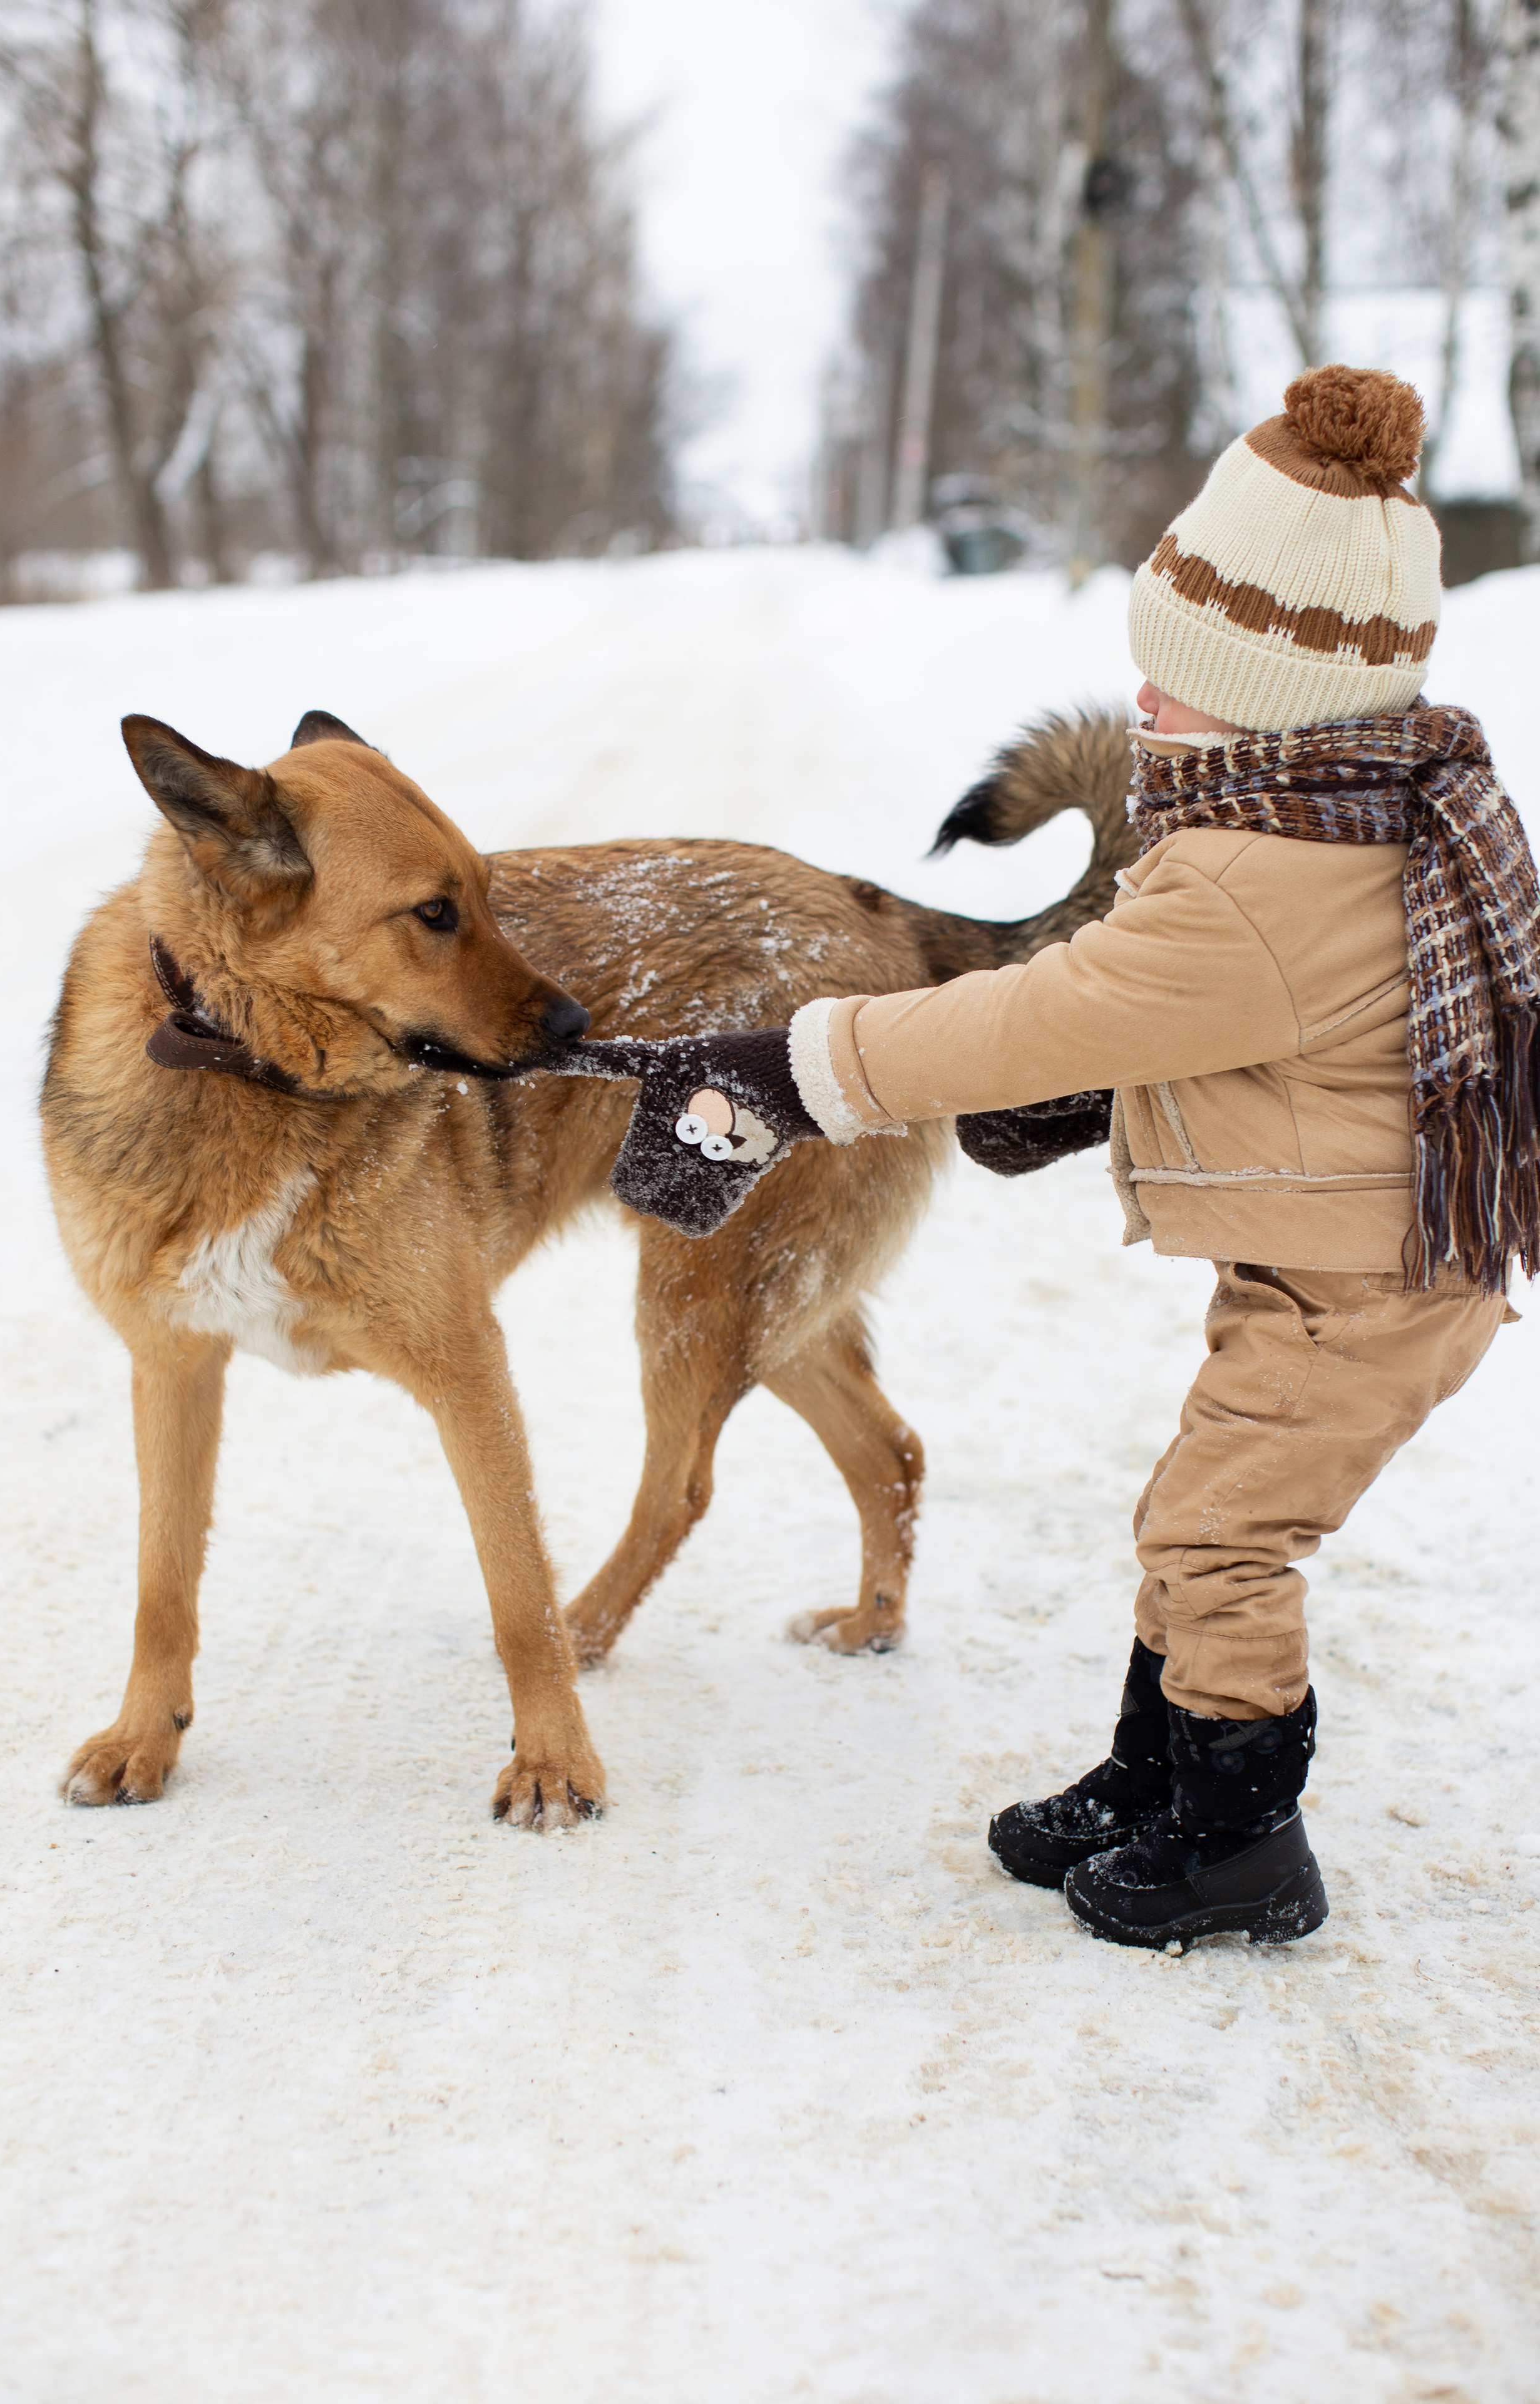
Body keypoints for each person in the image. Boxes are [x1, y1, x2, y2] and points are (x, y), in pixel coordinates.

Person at [558, 365, 1540, 1951]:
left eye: (1179, 683)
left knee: (1221, 1539)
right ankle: (1152, 1776)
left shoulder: (1253, 875)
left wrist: (802, 1066)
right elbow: (1211, 1031)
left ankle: (1238, 1842)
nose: (1144, 706)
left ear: (1281, 696)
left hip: (1369, 1278)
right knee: (1191, 1514)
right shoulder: (1362, 809)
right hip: (1341, 1253)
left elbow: (1031, 1021)